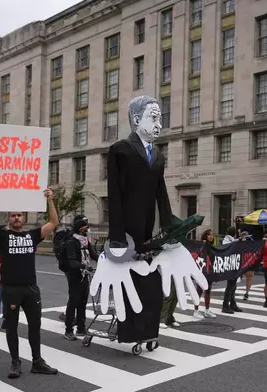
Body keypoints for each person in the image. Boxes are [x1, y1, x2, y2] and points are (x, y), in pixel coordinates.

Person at [105, 95, 174, 342]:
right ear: (136, 119)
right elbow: (114, 195)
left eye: (160, 119)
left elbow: (162, 194)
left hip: (149, 233)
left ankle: (148, 330)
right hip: (127, 234)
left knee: (151, 284)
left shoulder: (158, 156)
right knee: (129, 284)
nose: (159, 125)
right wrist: (117, 238)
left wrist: (170, 228)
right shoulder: (120, 150)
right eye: (153, 118)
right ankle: (129, 331)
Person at [0, 185, 60, 378]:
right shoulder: (2, 236)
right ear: (9, 218)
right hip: (10, 289)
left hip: (31, 289)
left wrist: (50, 199)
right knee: (12, 327)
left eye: (19, 215)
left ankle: (37, 361)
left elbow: (54, 222)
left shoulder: (32, 236)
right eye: (13, 215)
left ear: (24, 218)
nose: (16, 218)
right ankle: (15, 362)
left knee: (35, 326)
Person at [63, 215, 98, 340]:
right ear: (79, 229)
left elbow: (93, 255)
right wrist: (84, 266)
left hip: (84, 276)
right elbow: (72, 262)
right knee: (73, 302)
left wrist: (104, 260)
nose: (87, 230)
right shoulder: (72, 242)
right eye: (85, 228)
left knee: (83, 302)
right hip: (75, 276)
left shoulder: (85, 241)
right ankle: (68, 330)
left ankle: (81, 328)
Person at [193, 229, 217, 319]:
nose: (211, 236)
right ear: (205, 236)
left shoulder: (212, 247)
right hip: (202, 271)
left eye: (212, 235)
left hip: (209, 271)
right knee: (199, 291)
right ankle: (196, 311)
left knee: (208, 291)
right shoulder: (203, 246)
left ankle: (207, 310)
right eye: (209, 235)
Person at [221, 226, 242, 313]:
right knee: (230, 286)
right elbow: (228, 247)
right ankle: (225, 306)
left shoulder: (231, 240)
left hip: (234, 264)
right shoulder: (226, 240)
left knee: (233, 286)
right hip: (230, 265)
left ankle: (232, 304)